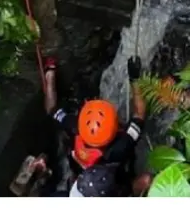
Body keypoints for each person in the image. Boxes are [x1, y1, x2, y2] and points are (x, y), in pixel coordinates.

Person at [42, 56, 152, 197]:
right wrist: (135, 79)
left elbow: (51, 109)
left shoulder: (74, 127)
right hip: (114, 185)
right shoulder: (121, 146)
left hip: (83, 180)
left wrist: (50, 78)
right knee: (146, 180)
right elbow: (140, 114)